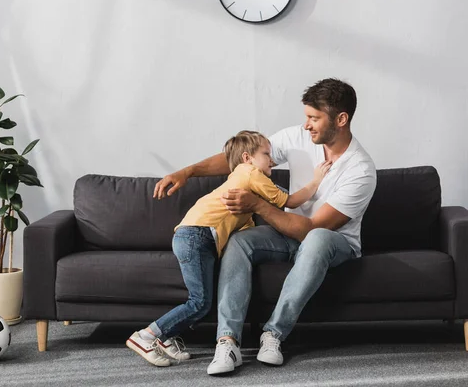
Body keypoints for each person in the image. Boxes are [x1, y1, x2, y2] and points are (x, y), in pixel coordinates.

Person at [153, 78, 377, 375]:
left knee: (319, 239)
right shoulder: (300, 137)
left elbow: (309, 230)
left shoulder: (360, 169)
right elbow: (243, 156)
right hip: (286, 231)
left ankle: (273, 334)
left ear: (341, 119)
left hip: (333, 242)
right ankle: (228, 341)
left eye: (314, 118)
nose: (306, 125)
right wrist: (188, 171)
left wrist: (258, 205)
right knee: (240, 240)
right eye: (306, 117)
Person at [126, 130, 332, 367]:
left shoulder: (240, 182)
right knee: (200, 302)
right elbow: (291, 201)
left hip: (191, 234)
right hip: (197, 235)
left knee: (203, 300)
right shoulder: (251, 173)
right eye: (266, 154)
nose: (272, 160)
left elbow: (245, 232)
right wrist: (316, 180)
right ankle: (147, 336)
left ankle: (165, 340)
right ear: (247, 158)